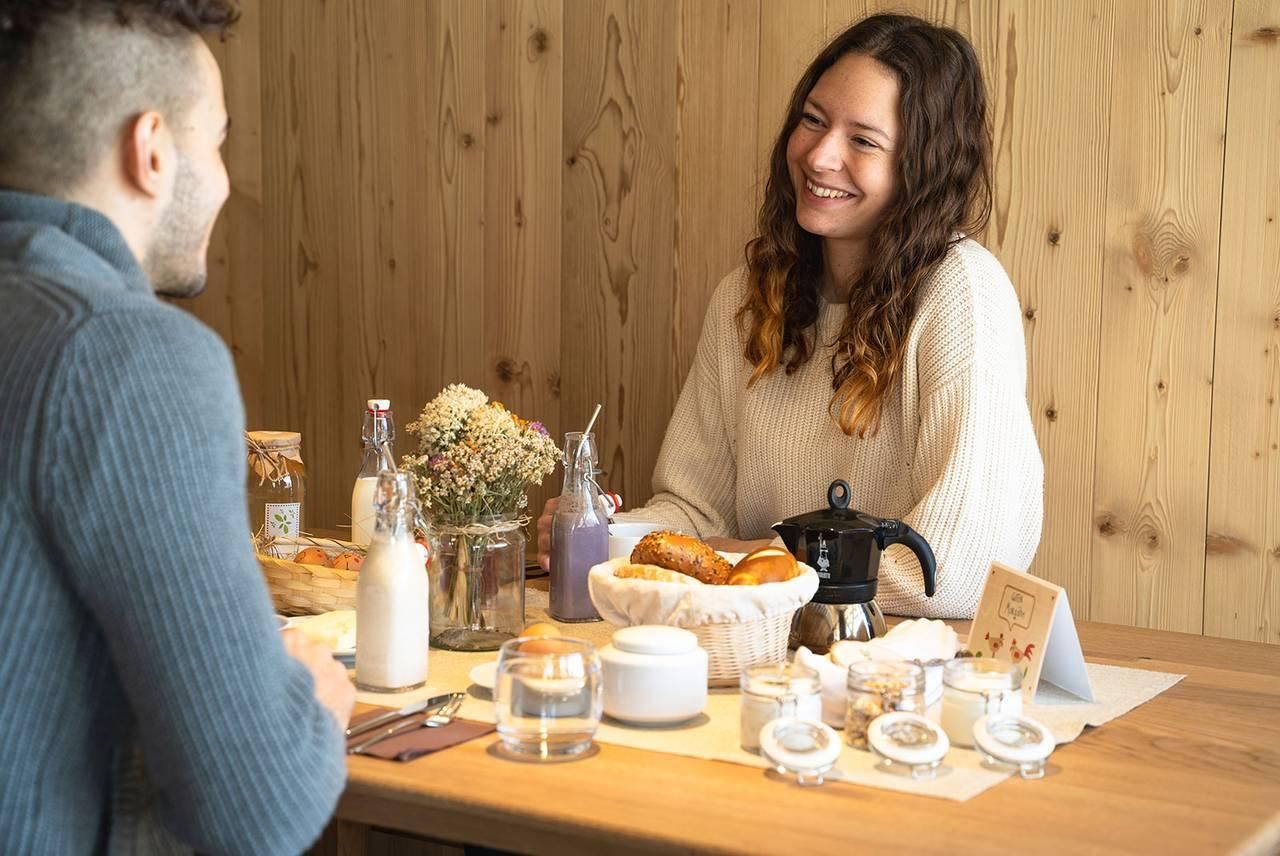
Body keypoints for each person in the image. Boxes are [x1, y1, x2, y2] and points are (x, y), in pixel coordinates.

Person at [538, 14, 1043, 619]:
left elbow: (956, 572)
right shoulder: (744, 300)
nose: (819, 155)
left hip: (908, 676)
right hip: (758, 659)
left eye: (863, 140)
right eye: (813, 120)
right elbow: (696, 514)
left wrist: (752, 561)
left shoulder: (962, 293)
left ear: (922, 170)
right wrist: (610, 531)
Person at [0, 1, 353, 852]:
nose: (228, 179)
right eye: (219, 141)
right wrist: (311, 696)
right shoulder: (127, 354)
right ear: (151, 149)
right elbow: (256, 812)